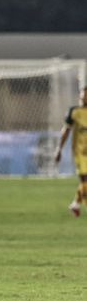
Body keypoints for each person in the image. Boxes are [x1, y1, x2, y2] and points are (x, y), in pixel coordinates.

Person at [55, 86, 87, 217]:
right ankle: (76, 203)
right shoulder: (73, 111)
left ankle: (75, 203)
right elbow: (66, 131)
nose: (85, 96)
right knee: (85, 180)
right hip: (80, 152)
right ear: (80, 95)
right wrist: (59, 149)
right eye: (84, 93)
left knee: (85, 182)